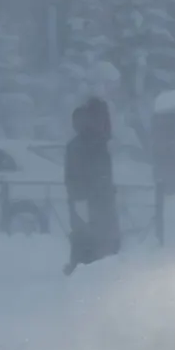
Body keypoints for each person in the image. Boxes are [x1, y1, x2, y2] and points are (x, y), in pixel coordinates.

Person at [63, 97, 119, 275]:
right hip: (91, 202)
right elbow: (77, 177)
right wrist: (87, 196)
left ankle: (87, 270)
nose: (105, 122)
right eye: (101, 117)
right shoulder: (86, 145)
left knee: (93, 240)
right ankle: (86, 273)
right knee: (90, 241)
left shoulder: (94, 143)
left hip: (95, 201)